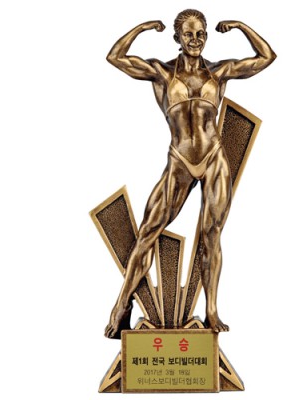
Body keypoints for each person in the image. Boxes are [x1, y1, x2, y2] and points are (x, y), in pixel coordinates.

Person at [104, 9, 276, 338]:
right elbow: (115, 57)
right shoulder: (162, 73)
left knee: (212, 236)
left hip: (213, 159)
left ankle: (211, 311)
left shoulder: (219, 72)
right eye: (189, 34)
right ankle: (121, 305)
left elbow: (266, 57)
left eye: (201, 34)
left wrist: (241, 26)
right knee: (148, 232)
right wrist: (142, 27)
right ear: (178, 38)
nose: (195, 40)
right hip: (180, 160)